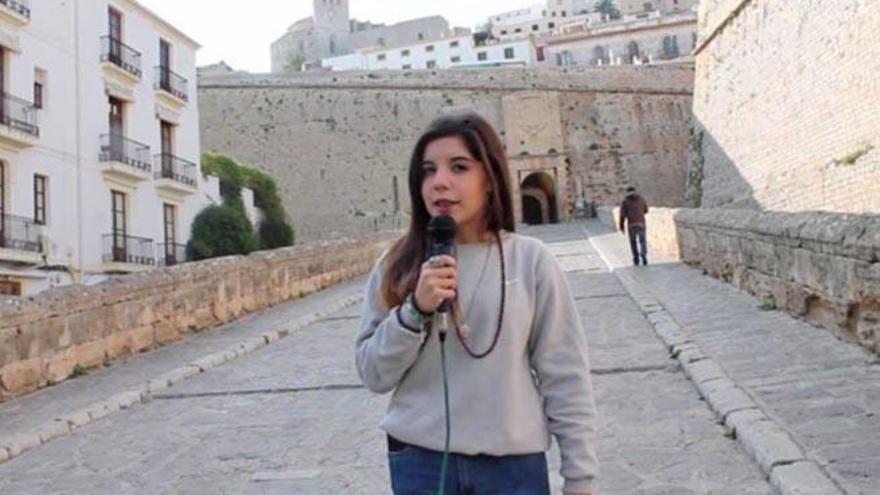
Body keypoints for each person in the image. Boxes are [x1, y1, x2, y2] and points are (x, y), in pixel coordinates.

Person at [355, 113, 598, 495]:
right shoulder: (396, 265)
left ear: (490, 179)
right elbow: (373, 374)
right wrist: (414, 311)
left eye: (459, 167)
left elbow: (565, 375)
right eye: (428, 170)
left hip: (513, 469)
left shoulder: (531, 261)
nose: (440, 182)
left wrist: (580, 479)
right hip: (421, 465)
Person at [619, 186, 649, 266]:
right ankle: (643, 255)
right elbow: (646, 210)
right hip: (641, 223)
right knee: (642, 241)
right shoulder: (642, 199)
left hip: (631, 224)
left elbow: (622, 215)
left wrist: (621, 227)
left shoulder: (625, 201)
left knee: (633, 242)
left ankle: (636, 258)